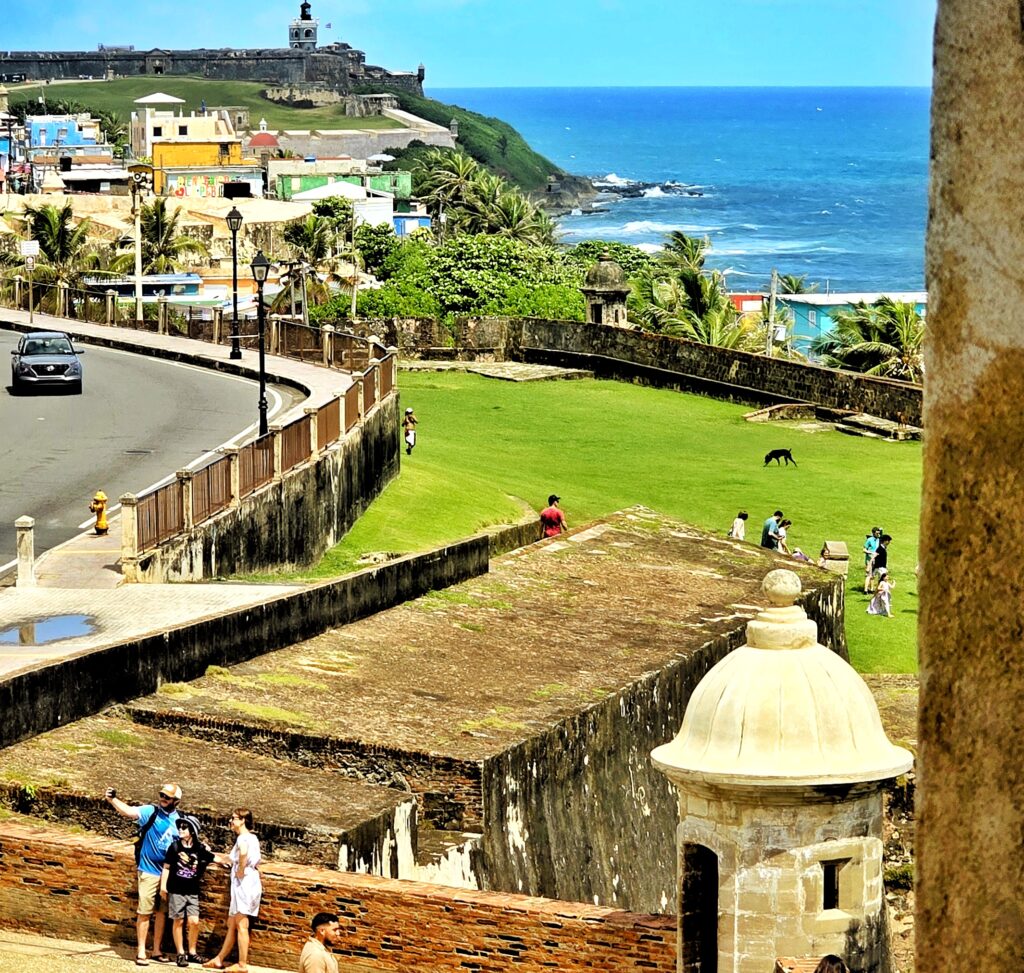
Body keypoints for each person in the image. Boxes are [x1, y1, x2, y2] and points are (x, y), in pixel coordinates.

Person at [105, 782, 183, 966]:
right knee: (145, 912)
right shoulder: (151, 812)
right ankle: (141, 950)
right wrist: (113, 799)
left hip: (166, 874)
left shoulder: (179, 820)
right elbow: (129, 812)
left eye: (167, 797)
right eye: (162, 795)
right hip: (148, 871)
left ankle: (156, 950)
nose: (163, 799)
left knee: (162, 913)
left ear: (176, 801)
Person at [204, 808, 262, 972]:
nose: (231, 821)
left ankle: (242, 964)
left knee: (241, 923)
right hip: (246, 882)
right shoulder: (252, 838)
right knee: (232, 923)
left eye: (234, 818)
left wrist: (241, 869)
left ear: (243, 820)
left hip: (244, 883)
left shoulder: (244, 838)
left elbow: (243, 854)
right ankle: (219, 958)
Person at [160, 814, 215, 968]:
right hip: (176, 889)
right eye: (180, 827)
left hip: (192, 891)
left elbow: (213, 857)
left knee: (194, 921)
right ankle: (180, 953)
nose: (181, 829)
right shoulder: (175, 847)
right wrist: (163, 887)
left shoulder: (199, 847)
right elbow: (167, 867)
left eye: (184, 827)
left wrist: (230, 862)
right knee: (178, 921)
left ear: (193, 830)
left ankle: (192, 952)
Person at [863, 527, 882, 592]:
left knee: (873, 575)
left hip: (876, 559)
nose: (878, 534)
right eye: (877, 533)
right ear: (873, 533)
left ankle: (871, 589)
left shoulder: (878, 540)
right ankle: (865, 590)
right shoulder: (869, 540)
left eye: (879, 533)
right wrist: (871, 552)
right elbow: (864, 549)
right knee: (868, 574)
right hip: (869, 559)